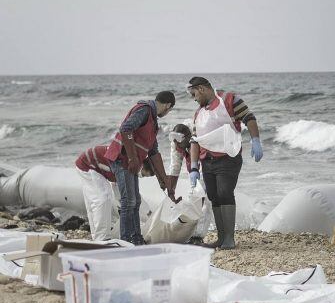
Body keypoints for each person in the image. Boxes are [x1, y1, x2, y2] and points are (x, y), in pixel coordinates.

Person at [187, 76, 263, 250]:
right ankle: (221, 238)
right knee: (213, 195)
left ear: (201, 89)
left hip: (228, 157)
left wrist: (255, 140)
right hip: (207, 161)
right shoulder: (198, 113)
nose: (194, 99)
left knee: (225, 192)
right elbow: (194, 141)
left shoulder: (229, 100)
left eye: (194, 94)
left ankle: (229, 239)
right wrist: (193, 167)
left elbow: (249, 117)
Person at [104, 91, 178, 245]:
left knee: (135, 201)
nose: (168, 112)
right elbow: (126, 129)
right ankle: (125, 240)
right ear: (167, 105)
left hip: (130, 161)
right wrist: (132, 157)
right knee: (128, 201)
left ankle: (136, 238)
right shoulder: (144, 110)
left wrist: (165, 183)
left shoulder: (153, 120)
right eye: (169, 110)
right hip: (121, 159)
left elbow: (154, 153)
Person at [166, 123, 213, 245]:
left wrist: (198, 178)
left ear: (187, 138)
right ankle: (191, 232)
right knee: (194, 198)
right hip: (193, 171)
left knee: (206, 200)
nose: (177, 146)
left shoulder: (198, 137)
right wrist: (171, 191)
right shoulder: (176, 142)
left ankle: (198, 235)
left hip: (207, 165)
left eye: (179, 143)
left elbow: (204, 160)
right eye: (175, 143)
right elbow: (174, 167)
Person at [75, 145, 119, 240]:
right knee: (102, 199)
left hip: (96, 166)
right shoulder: (125, 167)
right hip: (87, 165)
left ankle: (97, 236)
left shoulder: (127, 168)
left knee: (98, 199)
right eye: (144, 174)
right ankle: (101, 238)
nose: (142, 177)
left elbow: (118, 189)